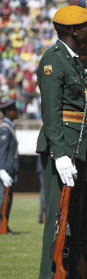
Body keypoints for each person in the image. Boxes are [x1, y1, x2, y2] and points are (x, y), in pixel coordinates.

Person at [36, 5, 87, 279]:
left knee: (74, 220)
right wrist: (60, 154)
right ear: (73, 30)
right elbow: (51, 113)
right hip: (61, 152)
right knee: (58, 221)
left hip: (77, 149)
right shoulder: (53, 59)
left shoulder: (73, 62)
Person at [0, 99, 19, 234]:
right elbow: (2, 150)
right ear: (8, 113)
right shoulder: (5, 129)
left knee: (8, 200)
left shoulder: (10, 127)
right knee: (2, 199)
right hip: (4, 170)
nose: (16, 112)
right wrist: (1, 169)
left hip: (10, 170)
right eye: (14, 110)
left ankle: (4, 226)